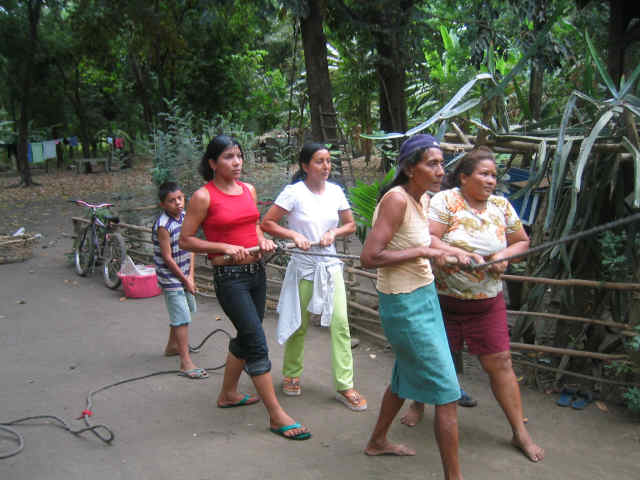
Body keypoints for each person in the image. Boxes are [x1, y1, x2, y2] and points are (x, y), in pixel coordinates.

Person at [402, 146, 544, 462]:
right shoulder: (445, 201)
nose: (491, 180)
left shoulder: (501, 206)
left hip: (486, 303)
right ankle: (417, 404)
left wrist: (500, 258)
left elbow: (521, 241)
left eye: (494, 175)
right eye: (484, 173)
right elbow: (429, 239)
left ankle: (519, 432)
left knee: (502, 364)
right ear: (464, 177)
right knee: (432, 359)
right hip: (442, 299)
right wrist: (457, 255)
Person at [179, 135, 311, 440]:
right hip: (230, 279)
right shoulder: (203, 196)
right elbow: (186, 240)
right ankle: (277, 415)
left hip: (256, 273)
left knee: (247, 333)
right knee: (256, 342)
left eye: (239, 156)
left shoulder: (248, 189)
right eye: (228, 157)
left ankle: (227, 394)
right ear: (212, 163)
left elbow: (252, 224)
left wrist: (261, 240)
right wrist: (222, 246)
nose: (237, 162)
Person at [360, 134, 470, 479]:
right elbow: (369, 257)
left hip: (423, 297)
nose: (441, 170)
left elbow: (420, 242)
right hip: (404, 304)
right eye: (432, 163)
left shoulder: (419, 199)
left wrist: (451, 254)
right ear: (410, 168)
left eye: (441, 163)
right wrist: (426, 253)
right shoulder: (397, 200)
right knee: (447, 394)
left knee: (404, 377)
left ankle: (377, 441)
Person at [261, 143, 367, 411]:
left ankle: (345, 385)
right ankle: (292, 373)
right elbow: (268, 223)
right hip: (304, 267)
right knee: (299, 323)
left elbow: (350, 224)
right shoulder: (294, 193)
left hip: (329, 266)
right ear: (305, 166)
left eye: (328, 161)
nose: (326, 166)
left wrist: (334, 233)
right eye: (319, 161)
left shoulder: (335, 192)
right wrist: (294, 235)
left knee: (341, 324)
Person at [152, 181, 206, 379]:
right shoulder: (163, 225)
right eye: (171, 201)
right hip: (170, 277)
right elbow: (167, 258)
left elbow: (189, 245)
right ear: (163, 204)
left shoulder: (184, 218)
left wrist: (191, 275)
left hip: (184, 273)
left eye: (180, 198)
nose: (178, 203)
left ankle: (172, 347)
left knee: (183, 311)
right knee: (182, 316)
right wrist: (184, 280)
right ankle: (185, 362)